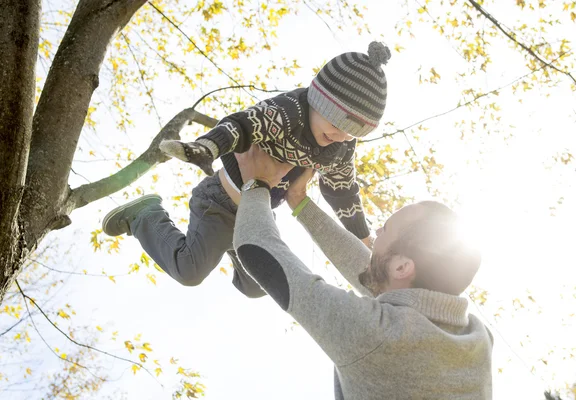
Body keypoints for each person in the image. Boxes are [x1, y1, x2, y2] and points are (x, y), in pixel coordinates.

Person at [101, 42, 391, 297]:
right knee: (190, 270)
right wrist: (206, 148)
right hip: (220, 201)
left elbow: (342, 191)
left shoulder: (340, 149)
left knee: (258, 287)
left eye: (353, 133)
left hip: (258, 211)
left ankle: (234, 247)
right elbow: (240, 125)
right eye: (338, 123)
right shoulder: (286, 111)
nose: (341, 135)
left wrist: (363, 238)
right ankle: (146, 216)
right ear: (320, 101)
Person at [232, 145, 494, 400]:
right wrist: (300, 203)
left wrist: (256, 183)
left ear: (403, 267)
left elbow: (256, 249)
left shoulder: (378, 336)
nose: (376, 232)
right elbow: (372, 272)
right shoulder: (476, 337)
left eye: (386, 230)